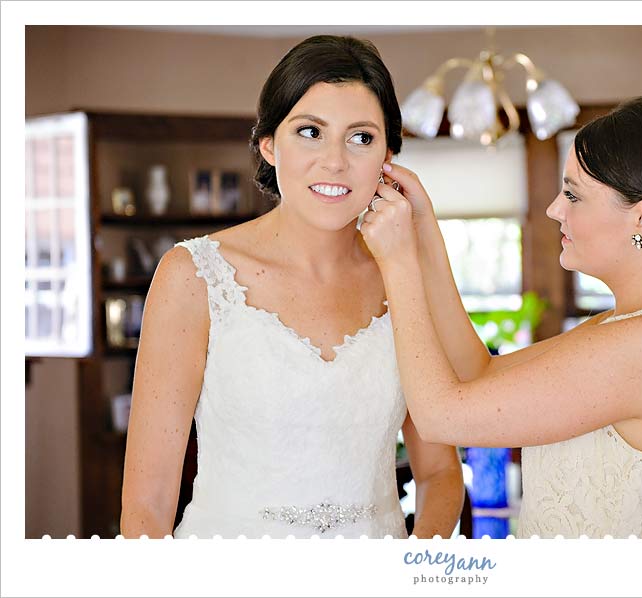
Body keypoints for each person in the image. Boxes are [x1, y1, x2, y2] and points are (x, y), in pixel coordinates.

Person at [120, 36, 464, 539]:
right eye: (310, 132)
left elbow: (440, 474)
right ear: (269, 145)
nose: (335, 161)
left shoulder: (405, 277)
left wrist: (410, 568)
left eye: (361, 137)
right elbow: (146, 506)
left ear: (388, 156)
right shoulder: (193, 277)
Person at [361, 95, 642, 538]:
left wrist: (397, 263)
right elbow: (477, 372)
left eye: (573, 195)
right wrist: (424, 231)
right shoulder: (628, 327)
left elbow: (440, 417)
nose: (554, 209)